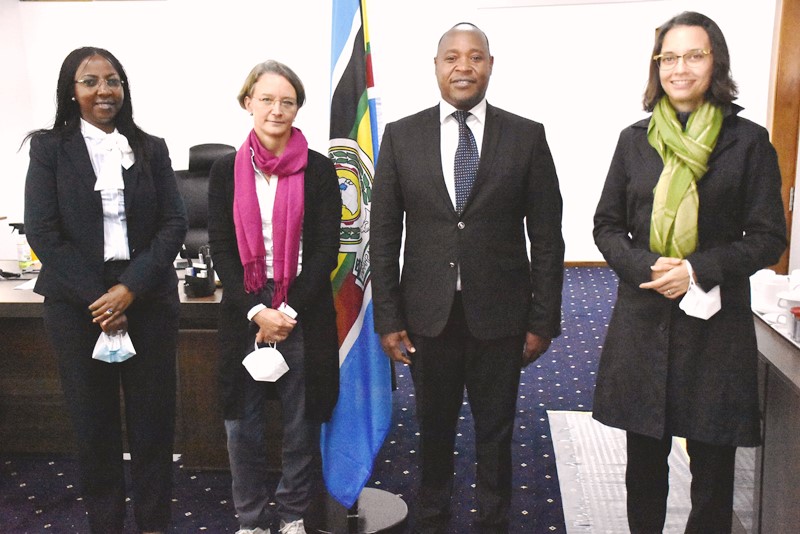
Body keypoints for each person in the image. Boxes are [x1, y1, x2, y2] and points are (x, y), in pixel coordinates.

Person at [592, 11, 787, 534]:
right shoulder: (634, 139)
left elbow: (770, 238)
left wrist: (698, 269)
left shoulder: (747, 142)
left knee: (713, 470)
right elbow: (606, 225)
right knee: (645, 466)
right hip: (644, 318)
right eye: (670, 57)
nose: (681, 68)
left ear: (715, 62)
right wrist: (645, 266)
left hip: (714, 328)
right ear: (658, 66)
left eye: (694, 55)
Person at [371, 22, 565, 534]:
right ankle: (433, 521)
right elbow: (385, 234)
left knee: (497, 435)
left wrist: (543, 320)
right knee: (431, 431)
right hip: (426, 317)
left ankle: (494, 523)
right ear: (436, 67)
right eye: (452, 57)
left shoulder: (526, 136)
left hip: (501, 318)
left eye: (475, 57)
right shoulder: (402, 136)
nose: (463, 67)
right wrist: (388, 317)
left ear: (490, 65)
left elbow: (547, 239)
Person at [23, 47, 188, 534]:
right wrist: (102, 297)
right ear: (70, 91)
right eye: (90, 81)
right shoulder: (50, 149)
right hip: (78, 307)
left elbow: (174, 223)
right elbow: (43, 231)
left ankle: (155, 525)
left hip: (148, 301)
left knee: (153, 428)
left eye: (112, 80)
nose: (103, 90)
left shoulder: (151, 147)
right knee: (94, 428)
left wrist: (129, 290)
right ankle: (106, 525)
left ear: (124, 87)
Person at [207, 60, 340, 534]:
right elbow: (220, 246)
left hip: (302, 300)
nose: (276, 109)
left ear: (298, 108)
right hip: (245, 303)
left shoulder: (319, 170)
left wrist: (285, 310)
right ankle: (250, 518)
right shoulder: (226, 171)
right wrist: (257, 310)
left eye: (287, 101)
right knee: (241, 421)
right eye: (266, 99)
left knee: (299, 421)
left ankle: (291, 515)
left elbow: (325, 250)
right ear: (248, 103)